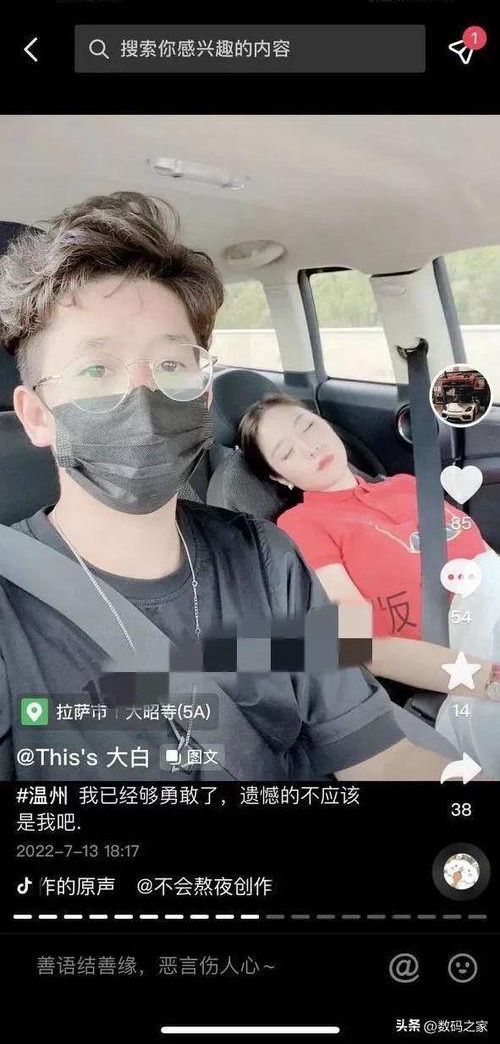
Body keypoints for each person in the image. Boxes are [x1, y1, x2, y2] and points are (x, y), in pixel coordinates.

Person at [0, 191, 467, 782]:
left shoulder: (268, 560)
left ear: (202, 395)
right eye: (96, 369)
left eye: (172, 365)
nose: (143, 397)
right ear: (37, 415)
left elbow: (382, 758)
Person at [238, 392, 500, 774]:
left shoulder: (405, 485)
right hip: (465, 650)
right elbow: (359, 645)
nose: (310, 448)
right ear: (280, 477)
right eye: (287, 453)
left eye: (307, 426)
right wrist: (486, 678)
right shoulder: (301, 525)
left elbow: (484, 557)